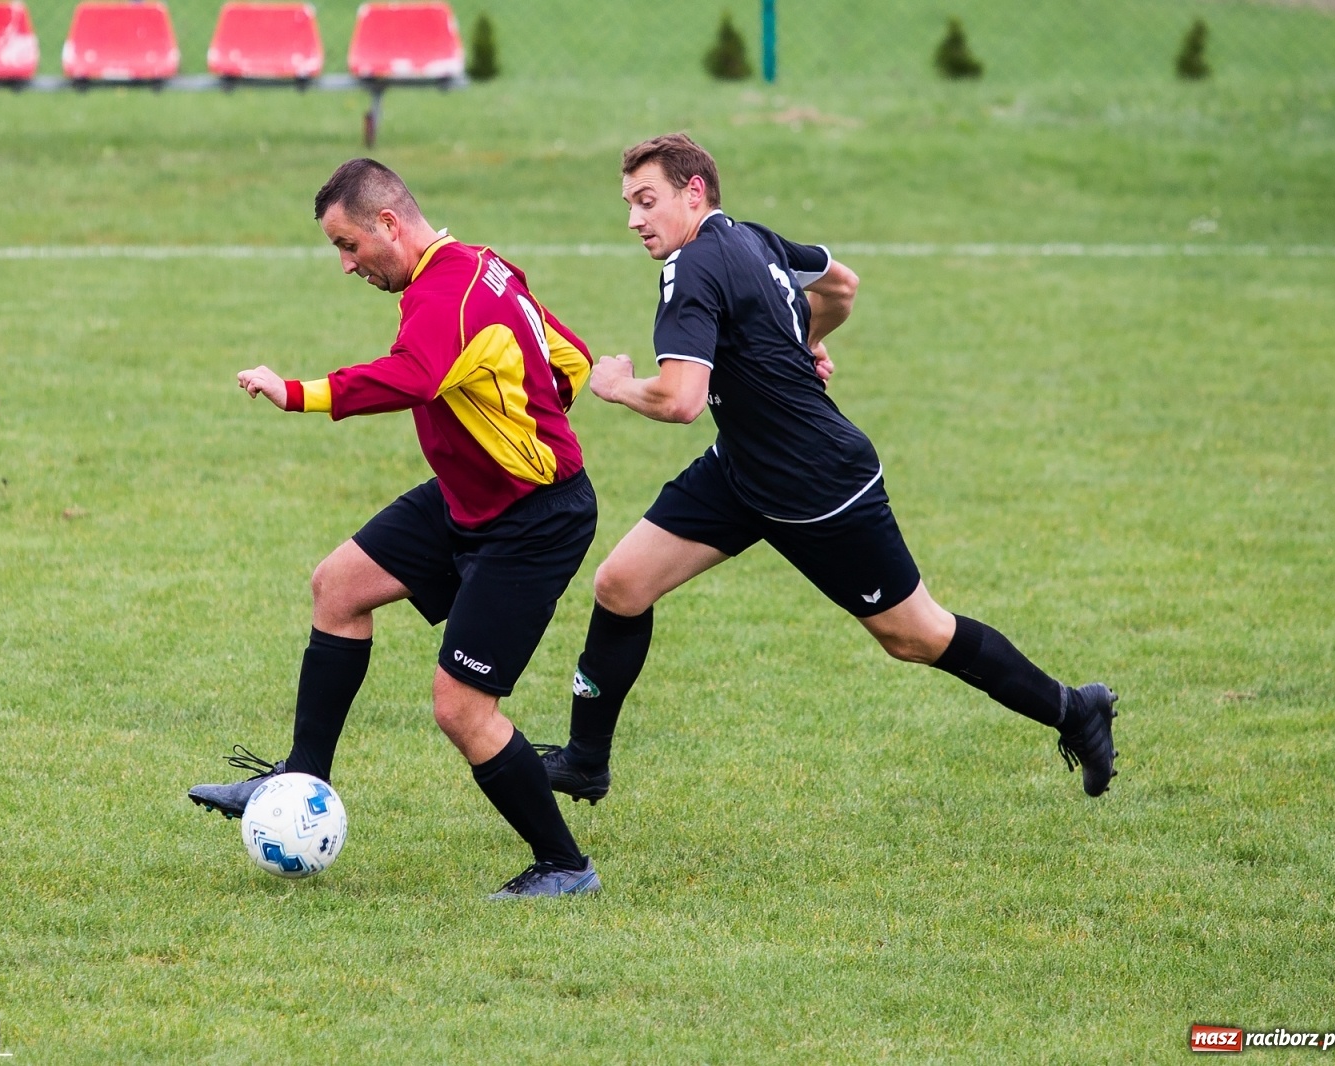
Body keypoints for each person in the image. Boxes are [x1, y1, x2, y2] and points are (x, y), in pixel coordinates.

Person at [536, 134, 1119, 810]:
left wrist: (614, 384)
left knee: (916, 636)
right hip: (744, 467)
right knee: (621, 584)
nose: (635, 219)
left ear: (694, 192)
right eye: (629, 204)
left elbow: (681, 399)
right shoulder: (751, 238)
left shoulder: (690, 268)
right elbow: (841, 286)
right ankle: (585, 762)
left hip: (820, 484)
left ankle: (1075, 709)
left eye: (647, 201)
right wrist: (802, 342)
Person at [188, 159, 603, 899]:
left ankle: (566, 866)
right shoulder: (481, 268)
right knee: (338, 586)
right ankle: (301, 778)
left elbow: (411, 376)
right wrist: (527, 405)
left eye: (348, 245)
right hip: (468, 495)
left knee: (461, 708)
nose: (346, 265)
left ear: (388, 224)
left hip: (533, 521)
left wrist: (296, 394)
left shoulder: (448, 293)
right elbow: (569, 358)